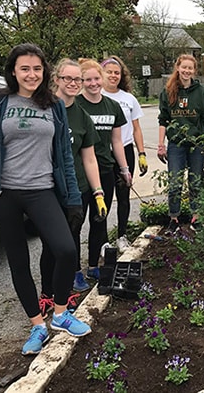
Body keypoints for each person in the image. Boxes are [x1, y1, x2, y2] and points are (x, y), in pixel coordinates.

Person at [0, 43, 91, 356]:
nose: (31, 74)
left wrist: (73, 199)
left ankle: (60, 314)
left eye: (37, 68)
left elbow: (63, 155)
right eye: (25, 68)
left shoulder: (54, 106)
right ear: (13, 71)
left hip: (42, 190)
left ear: (44, 71)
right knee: (18, 261)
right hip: (3, 193)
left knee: (65, 249)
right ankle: (37, 325)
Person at [37, 59, 107, 317]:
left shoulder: (82, 116)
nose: (74, 83)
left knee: (69, 244)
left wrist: (97, 191)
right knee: (50, 244)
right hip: (46, 189)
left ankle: (63, 295)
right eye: (68, 79)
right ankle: (47, 294)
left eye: (77, 79)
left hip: (77, 190)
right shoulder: (42, 108)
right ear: (56, 79)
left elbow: (89, 158)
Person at [76, 58, 131, 280]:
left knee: (99, 219)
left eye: (96, 78)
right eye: (87, 79)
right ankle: (74, 271)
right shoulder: (75, 105)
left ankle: (93, 266)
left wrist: (124, 168)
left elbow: (117, 141)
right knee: (76, 222)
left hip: (105, 171)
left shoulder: (112, 106)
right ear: (81, 81)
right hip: (80, 174)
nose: (93, 83)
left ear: (102, 78)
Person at [157, 54, 204, 234]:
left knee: (196, 181)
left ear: (194, 71)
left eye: (190, 68)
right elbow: (163, 120)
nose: (186, 71)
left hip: (197, 144)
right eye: (183, 67)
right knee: (175, 181)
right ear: (178, 68)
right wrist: (161, 144)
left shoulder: (200, 92)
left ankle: (196, 217)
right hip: (176, 143)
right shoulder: (167, 92)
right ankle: (174, 218)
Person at [101, 56, 147, 252]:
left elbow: (136, 128)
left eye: (117, 73)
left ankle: (122, 236)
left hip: (126, 150)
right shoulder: (96, 95)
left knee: (123, 195)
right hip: (102, 152)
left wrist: (142, 153)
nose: (113, 76)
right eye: (109, 72)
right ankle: (102, 240)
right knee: (103, 197)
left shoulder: (129, 99)